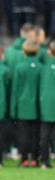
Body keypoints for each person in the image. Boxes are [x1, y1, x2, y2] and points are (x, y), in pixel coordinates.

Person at [10, 40, 42, 168]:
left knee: (23, 134)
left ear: (24, 51)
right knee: (35, 134)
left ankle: (23, 159)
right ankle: (34, 159)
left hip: (22, 106)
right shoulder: (41, 67)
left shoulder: (19, 67)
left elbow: (15, 90)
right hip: (37, 106)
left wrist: (13, 109)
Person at [39, 41, 55, 169]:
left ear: (49, 52)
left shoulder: (43, 67)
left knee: (45, 135)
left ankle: (44, 161)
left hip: (46, 105)